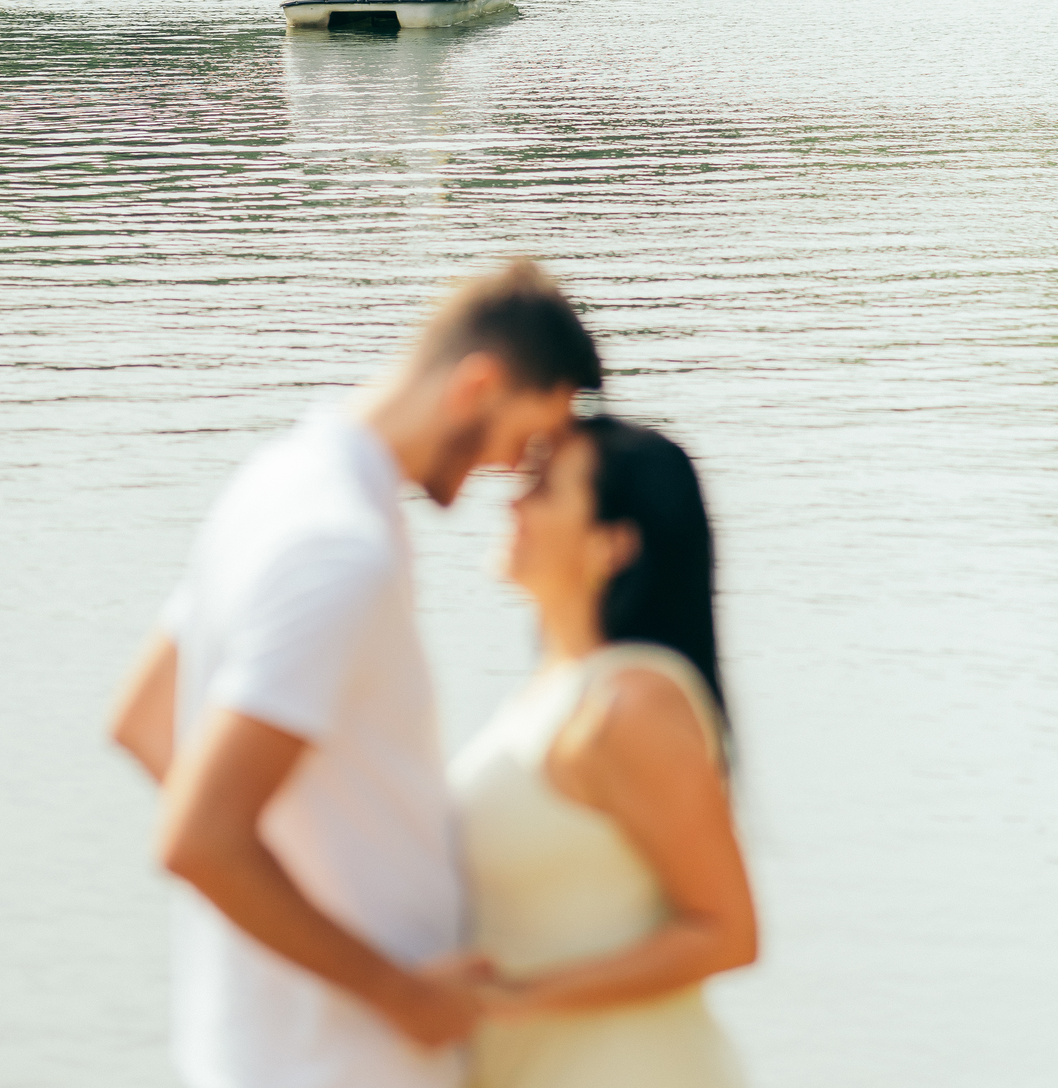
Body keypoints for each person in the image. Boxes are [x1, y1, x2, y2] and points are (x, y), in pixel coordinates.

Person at [109, 261, 602, 1088]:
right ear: (476, 385)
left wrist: (301, 872)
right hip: (334, 1059)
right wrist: (400, 994)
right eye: (521, 442)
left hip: (274, 1046)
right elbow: (199, 836)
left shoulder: (277, 484)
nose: (511, 472)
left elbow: (147, 722)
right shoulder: (340, 549)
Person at [452, 416, 757, 1088]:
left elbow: (727, 930)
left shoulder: (632, 702)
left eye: (542, 488)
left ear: (611, 545)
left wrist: (514, 1000)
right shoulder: (550, 694)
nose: (510, 501)